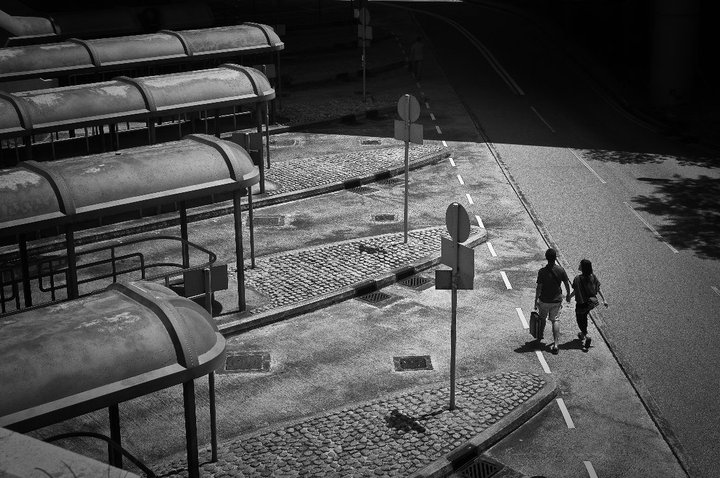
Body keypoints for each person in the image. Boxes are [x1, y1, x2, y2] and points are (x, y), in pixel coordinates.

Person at [534, 248, 571, 354]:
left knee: (542, 318)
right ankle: (555, 344)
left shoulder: (542, 272)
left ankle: (539, 337)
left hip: (544, 300)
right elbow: (566, 284)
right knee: (555, 320)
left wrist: (535, 300)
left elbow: (539, 288)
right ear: (555, 258)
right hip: (556, 301)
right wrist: (568, 295)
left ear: (546, 258)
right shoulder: (561, 270)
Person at [569, 259, 608, 352]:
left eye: (580, 264)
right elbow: (598, 288)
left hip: (582, 303)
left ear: (583, 267)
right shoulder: (592, 276)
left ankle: (586, 336)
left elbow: (575, 291)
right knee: (584, 317)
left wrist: (569, 297)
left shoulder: (578, 279)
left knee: (579, 319)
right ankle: (582, 335)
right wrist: (604, 299)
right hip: (591, 303)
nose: (578, 265)